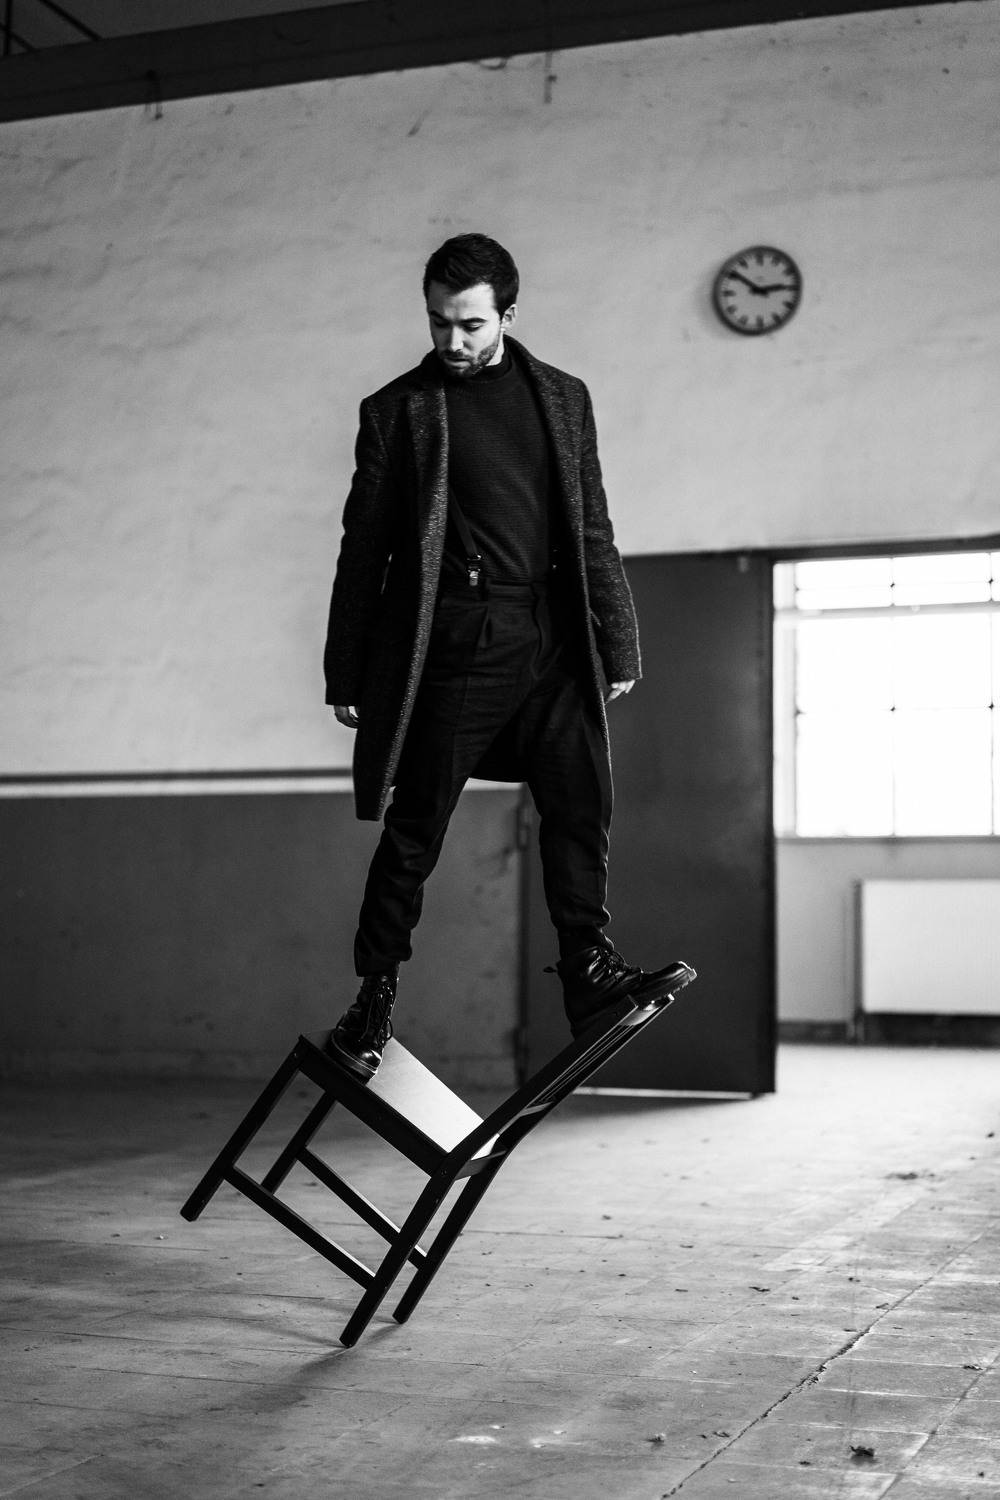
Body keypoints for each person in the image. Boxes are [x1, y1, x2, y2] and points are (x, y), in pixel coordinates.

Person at [323, 232, 694, 1080]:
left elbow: (592, 525)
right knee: (417, 826)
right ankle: (371, 1001)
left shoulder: (561, 398)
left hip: (553, 633)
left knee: (582, 799)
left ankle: (589, 972)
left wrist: (617, 640)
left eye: (470, 324)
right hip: (460, 634)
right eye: (438, 323)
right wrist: (347, 669)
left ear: (508, 315)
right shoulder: (397, 411)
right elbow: (364, 548)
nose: (451, 340)